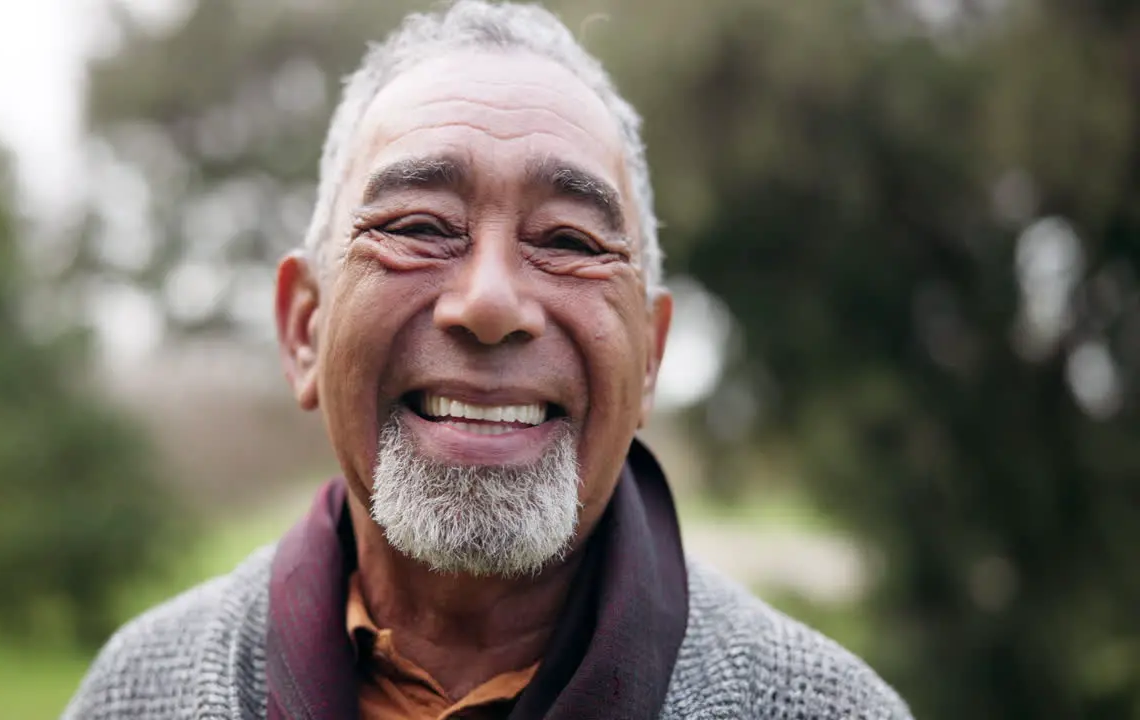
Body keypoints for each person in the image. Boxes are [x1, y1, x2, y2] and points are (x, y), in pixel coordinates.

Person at [62, 2, 913, 718]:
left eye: (570, 240)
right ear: (303, 331)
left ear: (650, 358)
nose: (491, 303)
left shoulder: (826, 707)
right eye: (419, 227)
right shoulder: (138, 693)